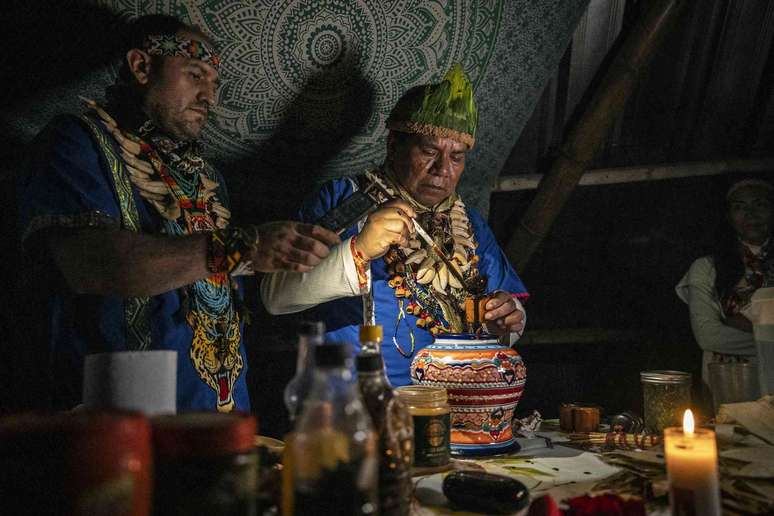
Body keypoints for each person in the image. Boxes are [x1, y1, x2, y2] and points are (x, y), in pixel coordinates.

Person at [16, 14, 340, 412]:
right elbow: (91, 263)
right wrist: (242, 246)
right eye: (195, 75)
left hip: (220, 421)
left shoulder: (208, 178)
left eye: (214, 84)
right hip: (123, 425)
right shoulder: (77, 143)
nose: (209, 97)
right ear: (141, 67)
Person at [261, 65, 528, 387]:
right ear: (393, 145)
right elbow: (276, 297)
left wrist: (505, 320)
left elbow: (506, 311)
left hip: (448, 401)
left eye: (456, 157)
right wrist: (359, 250)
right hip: (353, 399)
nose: (442, 169)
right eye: (428, 151)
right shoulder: (343, 199)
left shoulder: (469, 224)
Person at [676, 178, 774, 390]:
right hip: (731, 382)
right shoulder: (707, 268)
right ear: (729, 217)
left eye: (760, 204)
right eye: (740, 207)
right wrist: (765, 338)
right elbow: (709, 336)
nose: (751, 214)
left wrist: (742, 325)